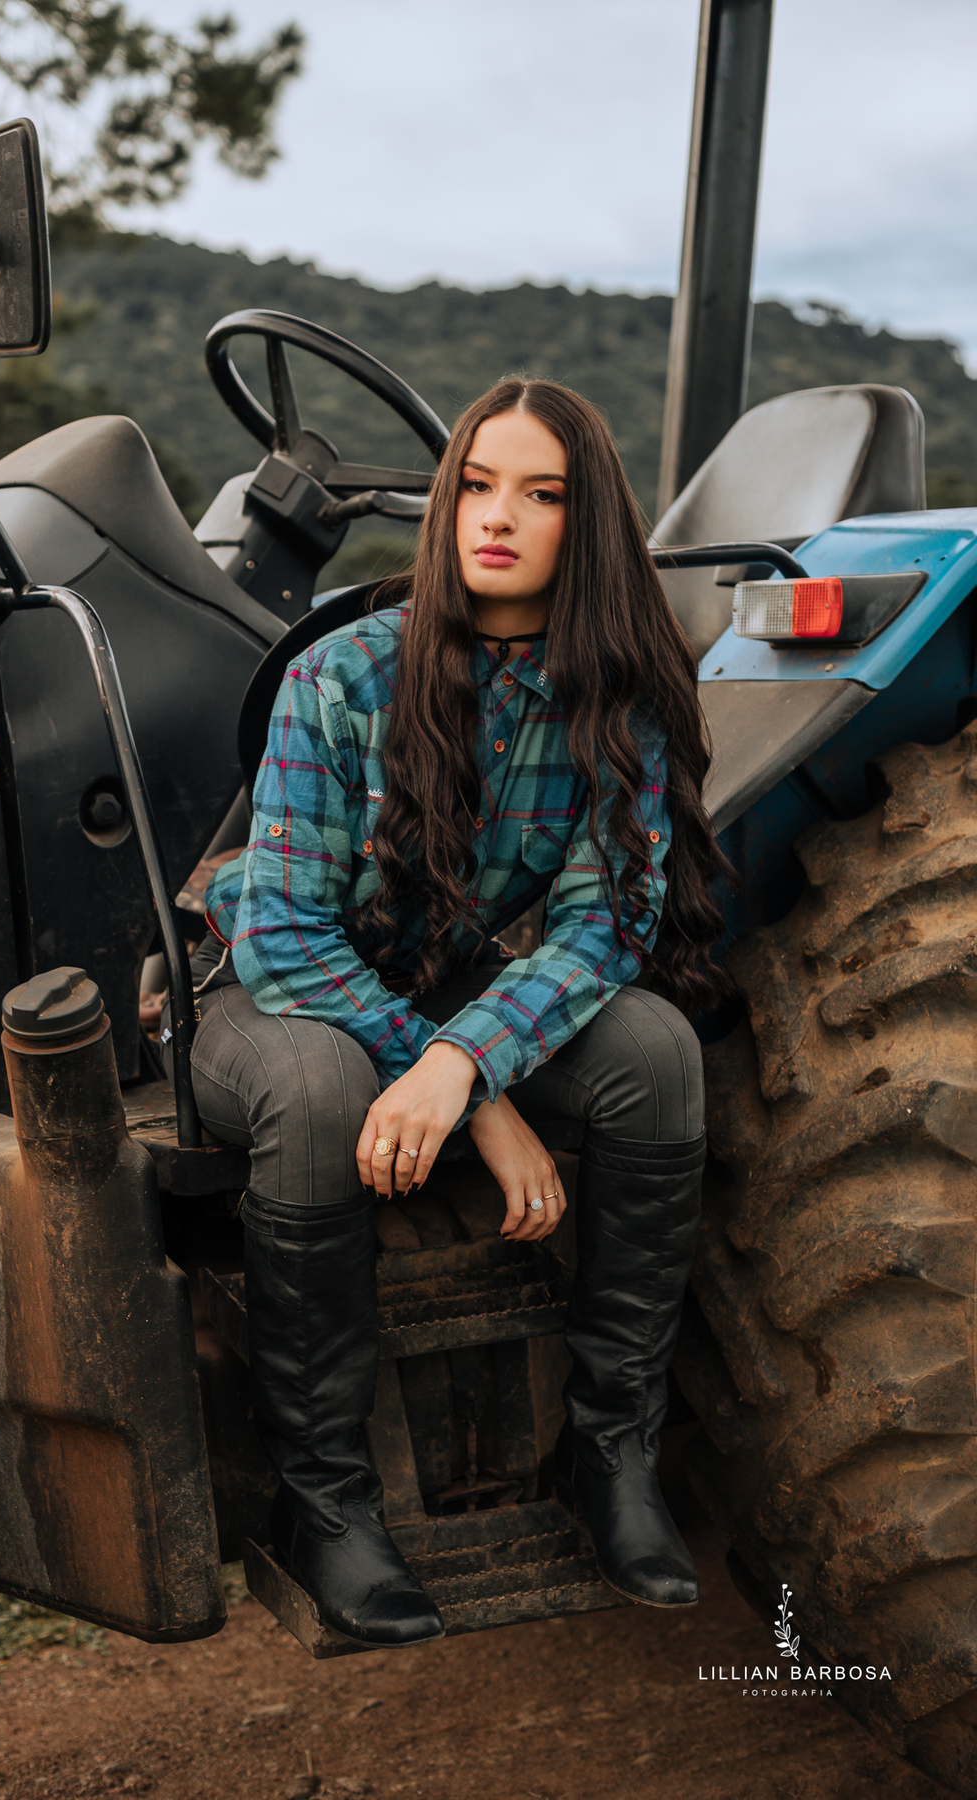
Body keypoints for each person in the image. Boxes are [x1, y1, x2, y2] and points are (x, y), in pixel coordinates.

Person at [182, 378, 730, 1649]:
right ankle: (328, 1504)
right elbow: (286, 937)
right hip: (279, 991)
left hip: (449, 993)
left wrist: (461, 1060)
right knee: (318, 1088)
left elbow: (601, 931)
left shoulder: (618, 702)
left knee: (655, 1052)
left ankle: (613, 1451)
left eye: (540, 494)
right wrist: (470, 1092)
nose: (497, 517)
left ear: (587, 524)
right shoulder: (341, 675)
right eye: (475, 485)